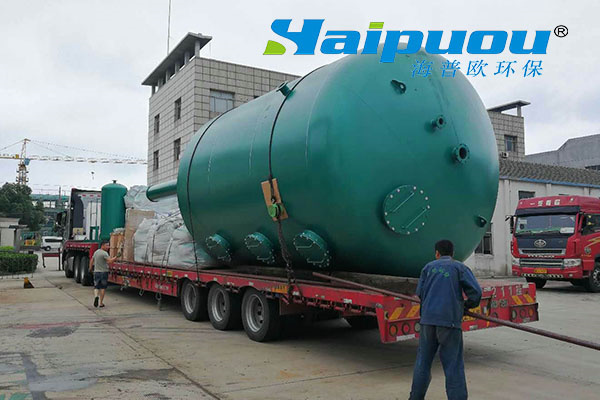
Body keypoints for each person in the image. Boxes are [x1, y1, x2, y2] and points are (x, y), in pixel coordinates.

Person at [409, 239, 482, 400]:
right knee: (453, 366)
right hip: (449, 322)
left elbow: (420, 293)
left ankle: (415, 397)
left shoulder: (428, 268)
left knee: (423, 362)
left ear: (437, 253)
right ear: (452, 253)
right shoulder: (459, 268)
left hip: (427, 321)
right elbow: (476, 293)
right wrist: (466, 306)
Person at [89, 242, 116, 308]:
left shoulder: (96, 252)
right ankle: (101, 303)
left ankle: (96, 296)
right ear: (102, 246)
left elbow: (92, 260)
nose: (108, 247)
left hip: (96, 272)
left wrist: (90, 268)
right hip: (104, 272)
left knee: (96, 286)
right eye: (107, 245)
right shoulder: (104, 253)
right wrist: (116, 257)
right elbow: (110, 261)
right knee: (103, 287)